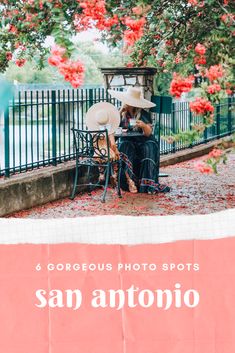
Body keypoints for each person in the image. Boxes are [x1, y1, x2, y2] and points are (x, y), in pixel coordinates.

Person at [108, 87, 170, 194]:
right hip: (129, 140)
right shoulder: (121, 113)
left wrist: (143, 125)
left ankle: (147, 184)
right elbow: (113, 128)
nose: (127, 103)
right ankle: (128, 181)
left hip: (144, 140)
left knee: (148, 147)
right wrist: (120, 112)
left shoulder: (143, 114)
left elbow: (148, 133)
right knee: (124, 146)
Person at [85, 102, 120, 184]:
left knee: (102, 155)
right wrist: (116, 151)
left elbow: (94, 143)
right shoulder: (110, 129)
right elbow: (113, 144)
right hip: (107, 154)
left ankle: (101, 173)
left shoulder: (93, 128)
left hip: (96, 153)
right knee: (116, 155)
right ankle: (115, 174)